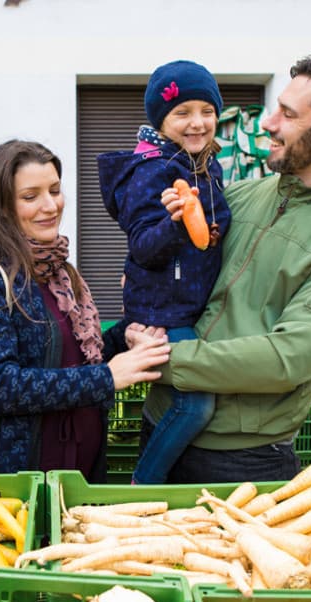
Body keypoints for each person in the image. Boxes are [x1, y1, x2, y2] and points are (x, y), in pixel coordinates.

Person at [141, 50, 311, 484]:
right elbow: (172, 275)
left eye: (288, 114)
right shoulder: (239, 195)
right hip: (161, 420)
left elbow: (287, 359)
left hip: (238, 457)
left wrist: (160, 361)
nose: (267, 123)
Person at [0, 139, 170, 482]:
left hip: (80, 474)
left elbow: (72, 357)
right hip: (23, 481)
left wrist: (124, 337)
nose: (50, 206)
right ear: (1, 207)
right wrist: (107, 378)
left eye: (54, 190)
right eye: (30, 196)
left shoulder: (58, 271)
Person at [96, 60, 232, 483]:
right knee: (196, 405)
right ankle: (142, 483)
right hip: (162, 312)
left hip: (188, 306)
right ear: (161, 120)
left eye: (206, 111)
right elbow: (143, 246)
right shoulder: (151, 171)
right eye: (182, 113)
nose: (198, 122)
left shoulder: (205, 164)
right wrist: (175, 224)